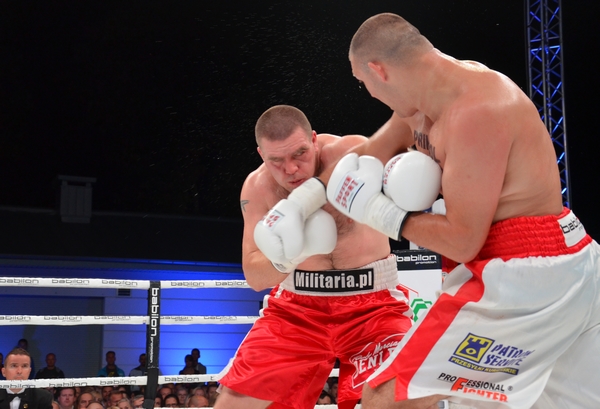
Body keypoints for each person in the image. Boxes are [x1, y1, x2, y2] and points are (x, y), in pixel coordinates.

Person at [273, 12, 600, 409]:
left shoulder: (478, 110)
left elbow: (463, 241)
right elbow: (365, 157)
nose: (369, 93)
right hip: (558, 263)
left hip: (525, 274)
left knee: (385, 397)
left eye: (363, 82)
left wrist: (378, 212)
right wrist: (299, 205)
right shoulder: (421, 106)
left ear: (379, 70)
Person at [215, 105, 414, 409]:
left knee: (397, 398)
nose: (291, 169)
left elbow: (413, 168)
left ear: (314, 140)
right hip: (296, 310)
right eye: (276, 161)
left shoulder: (352, 154)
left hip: (373, 307)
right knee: (232, 404)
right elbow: (254, 276)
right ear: (261, 155)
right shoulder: (258, 188)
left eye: (300, 154)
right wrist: (293, 255)